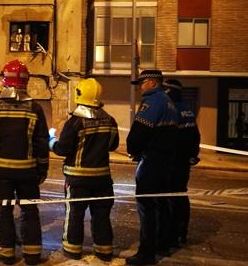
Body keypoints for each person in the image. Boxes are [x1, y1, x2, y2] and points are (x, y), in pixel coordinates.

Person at [0, 60, 49, 265]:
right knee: (29, 210)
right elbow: (41, 142)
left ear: (4, 80)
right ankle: (33, 254)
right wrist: (42, 168)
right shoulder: (35, 108)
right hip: (27, 171)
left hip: (1, 172)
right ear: (27, 82)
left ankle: (6, 253)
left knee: (4, 210)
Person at [48, 78, 119, 262]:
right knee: (101, 215)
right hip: (103, 179)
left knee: (75, 214)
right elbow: (113, 145)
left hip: (78, 179)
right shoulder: (110, 120)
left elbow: (62, 149)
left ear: (79, 95)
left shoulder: (75, 122)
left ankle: (72, 249)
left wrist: (51, 141)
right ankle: (104, 250)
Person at [126, 70, 179, 265]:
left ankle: (146, 253)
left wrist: (133, 148)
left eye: (142, 83)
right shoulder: (168, 101)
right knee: (161, 204)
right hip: (165, 161)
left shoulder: (153, 101)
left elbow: (140, 131)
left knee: (146, 206)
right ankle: (162, 244)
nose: (140, 87)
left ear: (152, 83)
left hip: (152, 161)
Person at [163, 79, 200, 246]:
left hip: (172, 161)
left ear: (170, 91)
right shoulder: (188, 111)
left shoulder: (171, 110)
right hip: (184, 161)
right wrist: (193, 154)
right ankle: (181, 233)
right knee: (181, 195)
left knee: (169, 198)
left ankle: (170, 235)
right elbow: (195, 135)